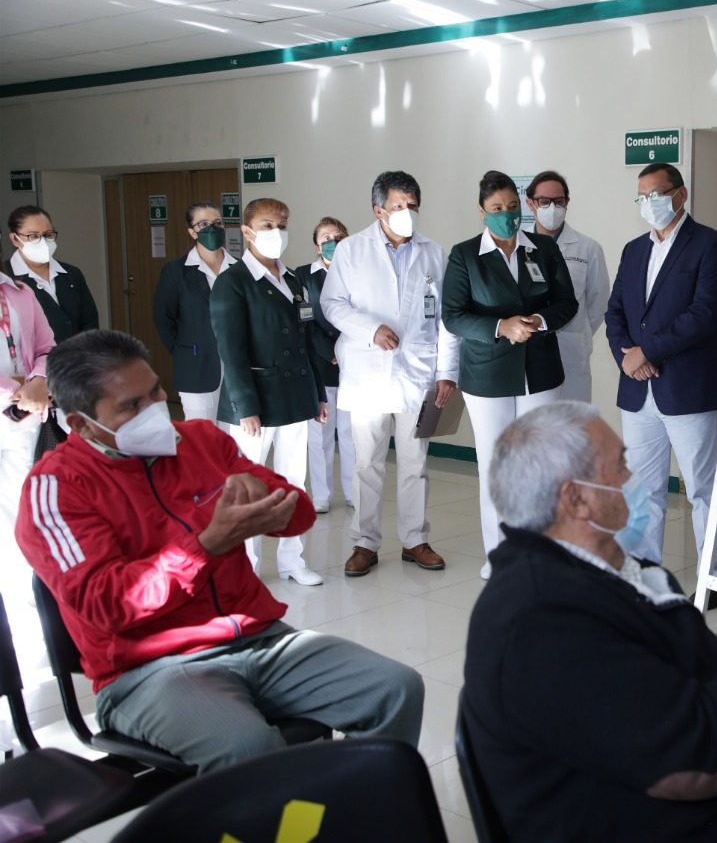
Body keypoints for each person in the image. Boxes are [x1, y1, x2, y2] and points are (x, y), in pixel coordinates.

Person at [15, 330, 424, 773]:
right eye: (131, 406)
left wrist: (270, 502)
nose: (153, 410)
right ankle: (295, 827)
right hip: (149, 670)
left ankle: (364, 812)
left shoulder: (200, 441)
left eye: (155, 392)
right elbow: (106, 605)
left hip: (259, 639)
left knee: (397, 688)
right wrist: (206, 544)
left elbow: (302, 516)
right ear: (79, 424)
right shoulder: (56, 488)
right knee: (246, 750)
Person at [462, 401, 717, 841]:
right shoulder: (542, 620)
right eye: (621, 466)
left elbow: (693, 677)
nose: (634, 479)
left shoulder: (620, 573)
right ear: (577, 498)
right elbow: (700, 758)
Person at [604, 162, 717, 604]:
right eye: (642, 196)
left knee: (701, 488)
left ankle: (713, 577)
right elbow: (615, 312)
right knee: (644, 489)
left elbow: (702, 314)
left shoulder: (713, 246)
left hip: (689, 390)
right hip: (639, 391)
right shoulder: (633, 249)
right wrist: (628, 357)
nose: (649, 204)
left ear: (681, 194)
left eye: (657, 194)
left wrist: (649, 352)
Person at [320, 172, 459, 576]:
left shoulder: (434, 253)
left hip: (418, 374)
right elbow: (333, 304)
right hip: (368, 373)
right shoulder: (351, 250)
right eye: (399, 206)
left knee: (415, 464)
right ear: (378, 209)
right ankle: (364, 544)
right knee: (367, 464)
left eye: (412, 206)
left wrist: (447, 372)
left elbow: (446, 320)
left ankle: (414, 539)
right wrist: (369, 328)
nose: (407, 213)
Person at [441, 170, 578, 575]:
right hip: (488, 376)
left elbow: (566, 303)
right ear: (482, 211)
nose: (507, 216)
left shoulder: (543, 250)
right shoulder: (465, 255)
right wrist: (500, 327)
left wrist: (536, 318)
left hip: (539, 371)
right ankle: (498, 552)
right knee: (496, 464)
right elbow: (453, 316)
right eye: (498, 209)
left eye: (513, 207)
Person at [210, 198, 325, 586]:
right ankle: (247, 567)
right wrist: (245, 406)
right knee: (249, 490)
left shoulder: (293, 280)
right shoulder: (233, 282)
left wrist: (318, 395)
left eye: (281, 224)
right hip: (254, 403)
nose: (276, 232)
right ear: (246, 232)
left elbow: (308, 342)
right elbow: (231, 350)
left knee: (293, 483)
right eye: (266, 225)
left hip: (295, 397)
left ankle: (294, 560)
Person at [0, 264, 55, 632]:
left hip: (23, 419)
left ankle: (25, 606)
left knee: (20, 511)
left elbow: (47, 347)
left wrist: (39, 380)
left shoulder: (18, 292)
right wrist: (18, 390)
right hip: (18, 402)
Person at [525, 170, 609, 402]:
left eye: (558, 201)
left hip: (571, 350)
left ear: (567, 203)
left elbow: (598, 301)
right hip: (528, 352)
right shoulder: (518, 246)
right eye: (544, 201)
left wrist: (577, 331)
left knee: (572, 425)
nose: (552, 207)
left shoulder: (588, 248)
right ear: (530, 204)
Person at [152, 201, 236, 424]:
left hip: (236, 368)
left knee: (235, 442)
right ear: (192, 231)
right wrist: (184, 350)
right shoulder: (176, 271)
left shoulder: (239, 268)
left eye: (217, 223)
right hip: (196, 367)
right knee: (202, 437)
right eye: (204, 224)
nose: (212, 228)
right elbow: (164, 318)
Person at [296, 217, 355, 514]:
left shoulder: (358, 271)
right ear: (317, 244)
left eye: (339, 236)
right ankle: (321, 494)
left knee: (349, 432)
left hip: (353, 361)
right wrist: (328, 350)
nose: (333, 242)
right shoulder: (304, 276)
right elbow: (305, 319)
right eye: (326, 237)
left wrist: (345, 349)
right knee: (319, 434)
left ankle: (353, 492)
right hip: (319, 362)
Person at [5, 206, 98, 343]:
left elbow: (90, 322)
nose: (43, 242)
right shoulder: (6, 278)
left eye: (48, 235)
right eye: (34, 236)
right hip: (31, 362)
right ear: (14, 239)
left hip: (76, 360)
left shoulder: (71, 274)